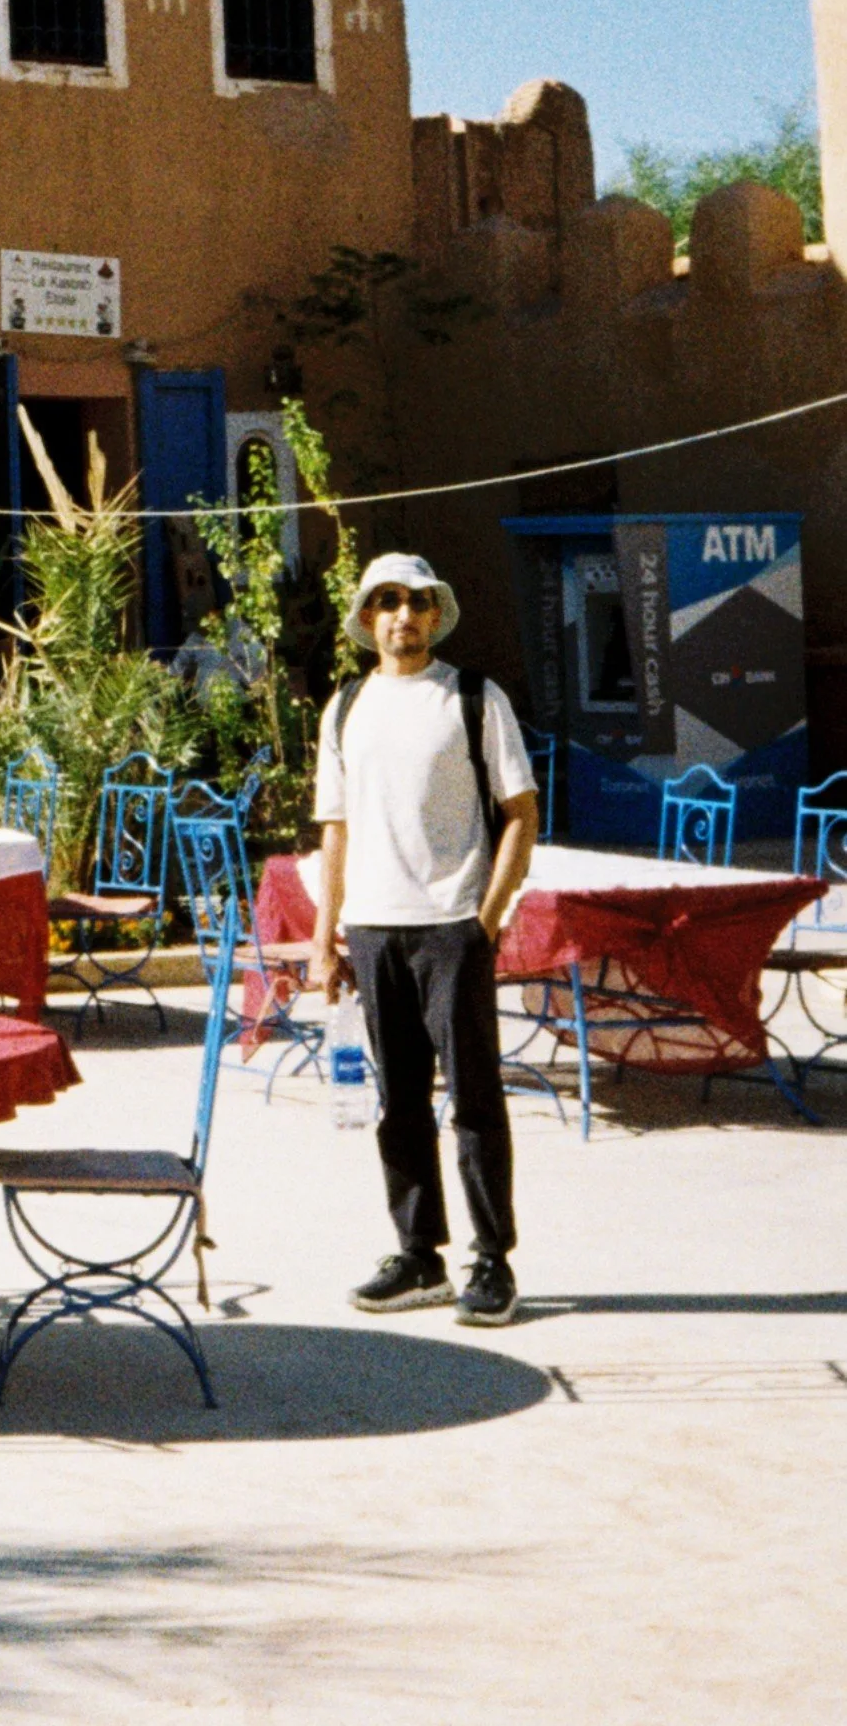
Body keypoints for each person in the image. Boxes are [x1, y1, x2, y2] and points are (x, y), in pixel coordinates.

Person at [307, 552, 539, 1328]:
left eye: (416, 600)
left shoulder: (474, 698)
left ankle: (491, 1259)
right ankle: (418, 1255)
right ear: (368, 617)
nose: (402, 613)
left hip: (452, 927)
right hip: (374, 928)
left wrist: (487, 917)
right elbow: (333, 832)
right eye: (386, 601)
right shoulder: (343, 708)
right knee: (397, 1100)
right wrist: (323, 937)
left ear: (436, 613)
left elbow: (520, 812)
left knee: (473, 1098)